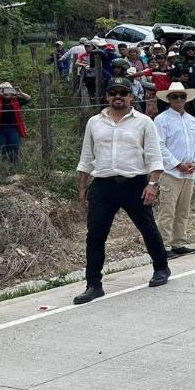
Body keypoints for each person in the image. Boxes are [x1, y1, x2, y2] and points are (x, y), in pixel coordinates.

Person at [74, 77, 170, 304]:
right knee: (95, 235)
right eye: (113, 93)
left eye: (123, 93)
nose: (118, 97)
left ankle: (161, 268)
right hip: (103, 185)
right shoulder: (94, 122)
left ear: (131, 96)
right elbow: (86, 156)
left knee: (147, 228)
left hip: (134, 183)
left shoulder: (144, 122)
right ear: (107, 96)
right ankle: (93, 285)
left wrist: (152, 184)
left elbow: (154, 156)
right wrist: (82, 186)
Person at [154, 85, 195, 256]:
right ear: (168, 99)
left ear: (186, 98)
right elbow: (159, 146)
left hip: (189, 172)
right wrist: (177, 164)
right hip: (171, 173)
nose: (178, 99)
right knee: (167, 210)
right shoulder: (161, 120)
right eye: (174, 96)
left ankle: (179, 242)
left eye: (181, 96)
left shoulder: (192, 120)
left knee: (183, 210)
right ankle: (164, 246)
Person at [0, 82, 30, 163]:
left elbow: (28, 98)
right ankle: (1, 168)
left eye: (8, 90)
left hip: (14, 129)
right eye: (3, 90)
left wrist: (20, 93)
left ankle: (14, 168)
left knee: (14, 151)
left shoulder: (16, 100)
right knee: (0, 152)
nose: (6, 92)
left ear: (12, 91)